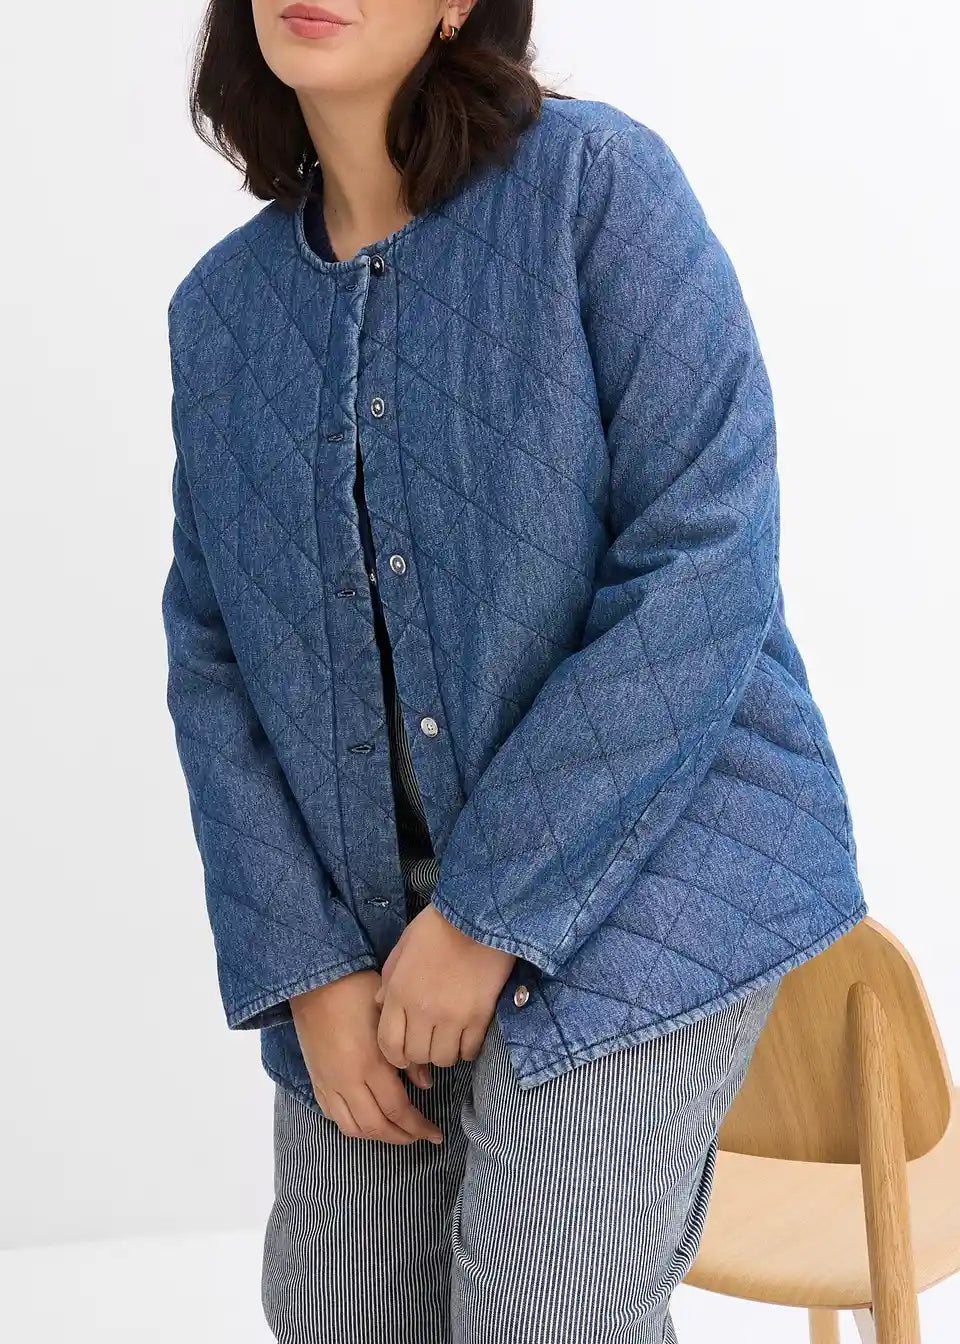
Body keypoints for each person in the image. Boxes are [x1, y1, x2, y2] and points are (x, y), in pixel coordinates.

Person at [160, 2, 868, 1340]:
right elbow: (214, 664)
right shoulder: (222, 318)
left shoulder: (596, 189)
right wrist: (308, 970)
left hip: (658, 861)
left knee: (538, 1307)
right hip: (370, 925)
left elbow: (705, 555)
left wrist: (487, 916)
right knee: (337, 1308)